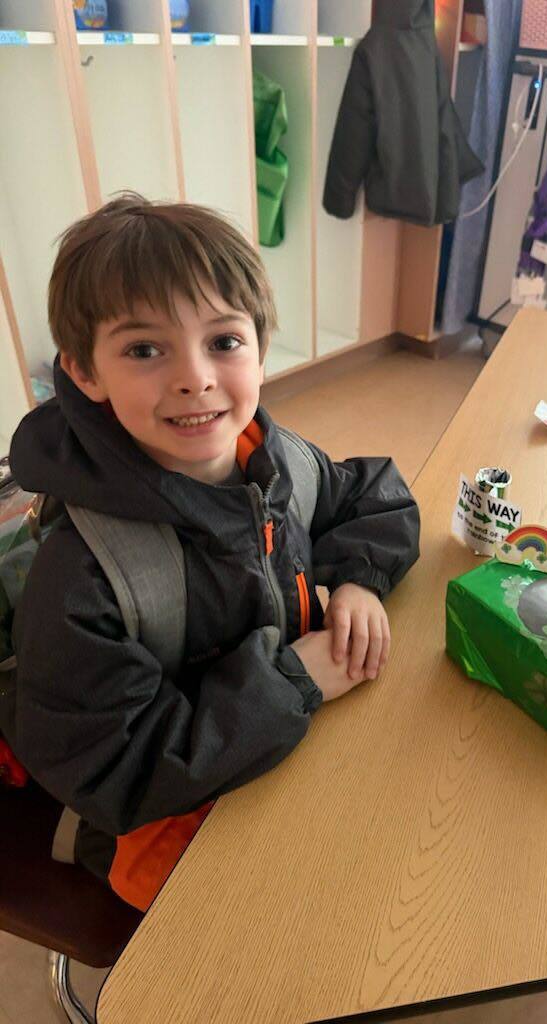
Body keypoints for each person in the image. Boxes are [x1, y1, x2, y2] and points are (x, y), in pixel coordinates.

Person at [1, 194, 420, 911]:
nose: (194, 377)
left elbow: (374, 496)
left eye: (223, 341)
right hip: (160, 815)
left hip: (277, 737)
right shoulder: (83, 577)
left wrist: (359, 581)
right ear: (85, 373)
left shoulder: (277, 463)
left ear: (260, 346)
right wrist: (294, 683)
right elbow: (121, 767)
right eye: (144, 350)